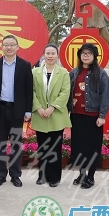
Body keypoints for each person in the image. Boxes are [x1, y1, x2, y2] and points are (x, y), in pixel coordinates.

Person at [0, 35, 33, 187]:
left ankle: (15, 175)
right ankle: (0, 174)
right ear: (2, 47)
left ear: (17, 47)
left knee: (16, 144)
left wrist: (28, 111)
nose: (9, 47)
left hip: (17, 110)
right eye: (6, 45)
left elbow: (28, 90)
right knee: (0, 143)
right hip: (0, 109)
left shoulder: (25, 65)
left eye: (12, 45)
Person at [68, 43, 109, 189]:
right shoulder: (74, 73)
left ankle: (91, 176)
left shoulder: (101, 74)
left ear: (94, 56)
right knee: (79, 146)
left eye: (89, 53)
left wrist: (102, 115)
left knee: (93, 147)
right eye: (83, 53)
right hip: (76, 116)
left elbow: (106, 96)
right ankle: (82, 174)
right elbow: (68, 93)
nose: (86, 56)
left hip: (93, 117)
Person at [31, 43, 71, 187]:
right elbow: (31, 91)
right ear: (43, 55)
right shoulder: (35, 72)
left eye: (53, 53)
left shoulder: (64, 73)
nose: (50, 56)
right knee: (42, 147)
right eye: (47, 53)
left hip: (56, 114)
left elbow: (65, 92)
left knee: (55, 147)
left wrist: (52, 108)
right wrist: (39, 108)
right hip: (40, 114)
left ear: (57, 55)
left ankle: (54, 177)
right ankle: (42, 175)